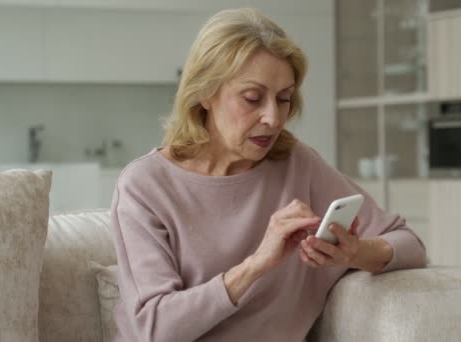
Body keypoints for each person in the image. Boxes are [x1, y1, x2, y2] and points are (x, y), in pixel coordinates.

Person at [110, 7, 427, 342]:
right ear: (205, 92)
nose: (273, 118)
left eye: (284, 99)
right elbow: (154, 329)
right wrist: (256, 265)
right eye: (252, 98)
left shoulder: (297, 164)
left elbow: (409, 244)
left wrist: (355, 253)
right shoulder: (145, 186)